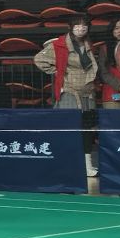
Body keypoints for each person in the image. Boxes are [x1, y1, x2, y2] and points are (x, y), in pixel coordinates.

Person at [36, 14, 101, 177]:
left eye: (84, 25)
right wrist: (58, 72)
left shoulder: (88, 44)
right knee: (68, 129)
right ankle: (64, 164)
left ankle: (87, 166)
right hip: (69, 94)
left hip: (87, 95)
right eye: (77, 25)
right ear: (70, 27)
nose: (81, 28)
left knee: (87, 131)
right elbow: (39, 59)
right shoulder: (59, 44)